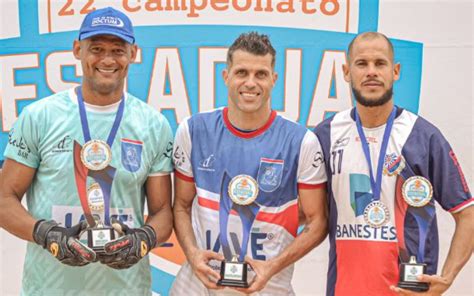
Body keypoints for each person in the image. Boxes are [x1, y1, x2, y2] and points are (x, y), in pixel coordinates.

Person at [0, 7, 173, 295]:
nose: (107, 59)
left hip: (126, 289)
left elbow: (163, 211)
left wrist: (143, 239)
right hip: (50, 288)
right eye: (96, 49)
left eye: (118, 49)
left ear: (133, 53)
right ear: (78, 49)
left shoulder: (153, 124)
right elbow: (4, 199)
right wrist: (48, 235)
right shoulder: (39, 116)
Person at [314, 32, 473, 296]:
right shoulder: (326, 134)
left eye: (380, 63)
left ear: (395, 71)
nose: (371, 72)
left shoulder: (423, 136)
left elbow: (468, 214)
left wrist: (446, 278)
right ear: (346, 71)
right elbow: (311, 216)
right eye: (362, 64)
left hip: (410, 291)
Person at [171, 32, 328, 295]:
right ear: (226, 76)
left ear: (274, 79)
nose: (251, 83)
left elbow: (318, 222)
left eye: (261, 74)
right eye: (242, 72)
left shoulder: (301, 141)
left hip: (268, 286)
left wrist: (273, 266)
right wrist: (192, 254)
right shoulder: (193, 130)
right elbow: (181, 206)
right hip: (198, 286)